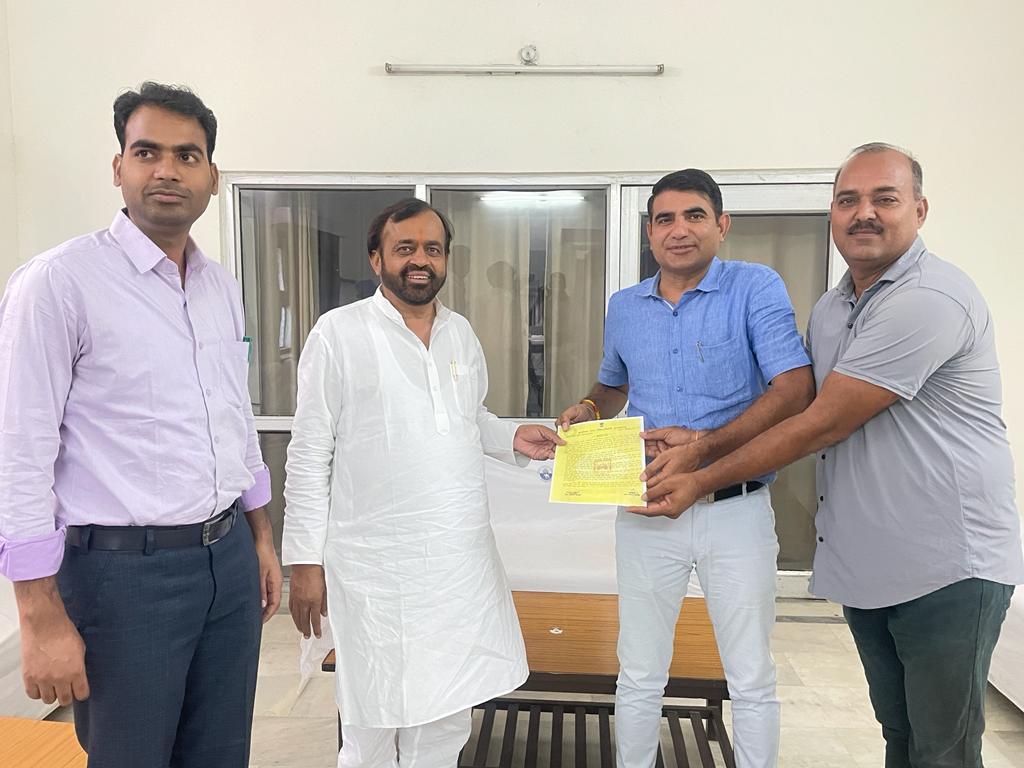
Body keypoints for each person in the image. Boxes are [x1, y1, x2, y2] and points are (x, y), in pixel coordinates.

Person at [636, 143, 1024, 768]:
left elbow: (821, 422)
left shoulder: (929, 297)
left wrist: (701, 474)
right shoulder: (833, 308)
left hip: (949, 564)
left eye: (884, 199)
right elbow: (797, 402)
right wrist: (698, 441)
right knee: (901, 734)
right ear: (832, 215)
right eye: (848, 200)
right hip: (875, 563)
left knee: (944, 750)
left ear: (920, 210)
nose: (863, 213)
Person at [0, 82, 282, 767]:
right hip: (122, 577)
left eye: (188, 155)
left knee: (220, 753)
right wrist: (37, 615)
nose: (167, 170)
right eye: (147, 151)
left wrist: (260, 538)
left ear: (212, 176)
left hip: (226, 560)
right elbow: (18, 451)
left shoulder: (220, 287)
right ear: (118, 167)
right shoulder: (59, 283)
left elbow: (233, 418)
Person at [283, 197, 563, 768]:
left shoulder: (460, 333)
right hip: (374, 567)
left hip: (456, 563)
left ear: (446, 259)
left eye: (432, 249)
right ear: (376, 258)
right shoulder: (339, 333)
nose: (420, 260)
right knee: (372, 714)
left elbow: (467, 418)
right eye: (405, 247)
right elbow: (310, 451)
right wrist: (304, 560)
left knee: (448, 716)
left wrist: (512, 436)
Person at [558, 169, 814, 768]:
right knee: (639, 670)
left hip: (735, 508)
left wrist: (704, 448)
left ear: (722, 225)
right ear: (650, 233)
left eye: (695, 215)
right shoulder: (625, 307)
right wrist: (590, 407)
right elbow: (613, 384)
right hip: (647, 507)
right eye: (665, 219)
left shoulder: (754, 287)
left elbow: (795, 389)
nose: (679, 230)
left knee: (750, 674)